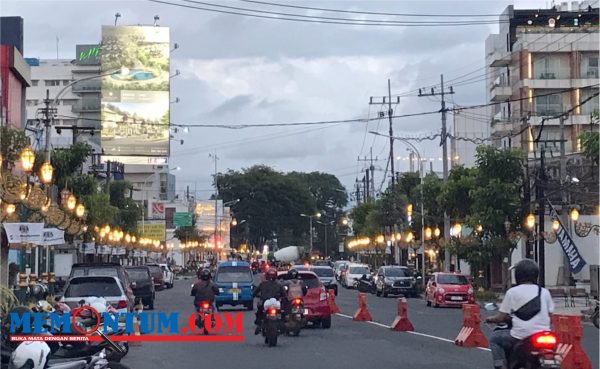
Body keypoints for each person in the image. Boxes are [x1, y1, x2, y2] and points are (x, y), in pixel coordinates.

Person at [485, 259, 554, 369]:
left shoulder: (512, 292)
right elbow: (551, 316)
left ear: (518, 275)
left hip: (520, 336)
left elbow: (502, 316)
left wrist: (490, 319)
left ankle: (500, 366)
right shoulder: (544, 292)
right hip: (544, 334)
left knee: (495, 339)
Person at [252, 267, 285, 335]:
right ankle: (260, 325)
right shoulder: (278, 284)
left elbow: (254, 293)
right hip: (272, 303)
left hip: (268, 304)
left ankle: (260, 325)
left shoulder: (263, 284)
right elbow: (284, 294)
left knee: (260, 311)